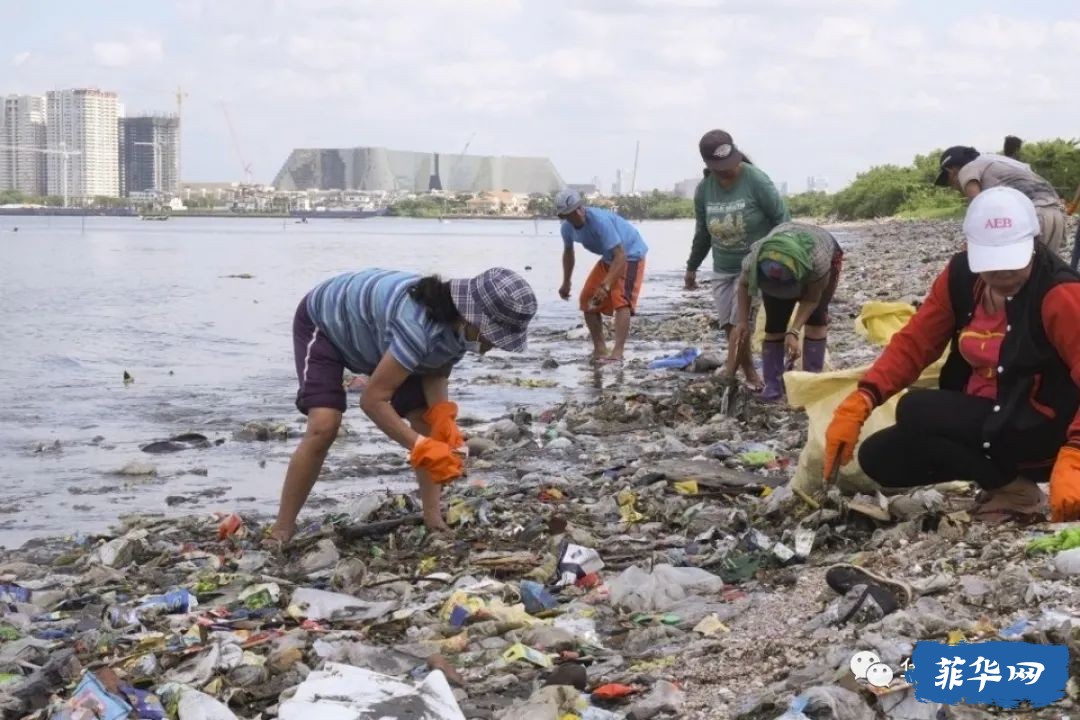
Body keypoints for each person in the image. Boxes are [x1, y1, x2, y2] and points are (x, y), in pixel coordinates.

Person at [823, 187, 1080, 523]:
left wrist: (1076, 453)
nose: (1003, 273)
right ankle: (1006, 484)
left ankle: (1020, 495)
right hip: (989, 420)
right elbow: (915, 343)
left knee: (916, 407)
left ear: (1034, 243)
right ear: (970, 249)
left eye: (1012, 262)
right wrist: (862, 399)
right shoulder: (960, 278)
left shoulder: (1060, 293)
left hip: (1045, 428)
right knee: (880, 456)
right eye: (992, 263)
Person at [269, 267, 537, 542]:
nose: (494, 344)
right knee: (324, 425)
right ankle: (281, 529)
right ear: (473, 317)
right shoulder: (417, 327)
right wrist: (420, 447)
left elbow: (436, 367)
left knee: (426, 419)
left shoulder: (459, 328)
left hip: (377, 339)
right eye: (494, 335)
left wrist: (443, 419)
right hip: (326, 324)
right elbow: (372, 401)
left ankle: (432, 515)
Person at [686, 129, 789, 390]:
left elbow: (782, 219)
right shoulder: (704, 191)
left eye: (731, 163)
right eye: (721, 168)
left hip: (755, 266)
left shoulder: (755, 180)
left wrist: (779, 257)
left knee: (739, 322)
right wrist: (692, 267)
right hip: (722, 267)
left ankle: (733, 374)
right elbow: (702, 233)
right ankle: (750, 372)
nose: (729, 170)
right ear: (709, 165)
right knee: (729, 326)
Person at [730, 222, 843, 400]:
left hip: (821, 253)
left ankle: (811, 384)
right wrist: (742, 321)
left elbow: (812, 299)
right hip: (779, 256)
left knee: (816, 319)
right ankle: (773, 387)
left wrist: (794, 331)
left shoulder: (818, 263)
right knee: (774, 326)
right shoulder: (755, 260)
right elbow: (743, 285)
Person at [556, 188, 648, 363]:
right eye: (571, 213)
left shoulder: (599, 221)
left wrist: (606, 286)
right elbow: (568, 252)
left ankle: (617, 353)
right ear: (564, 216)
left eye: (579, 208)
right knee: (587, 299)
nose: (579, 213)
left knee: (621, 300)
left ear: (582, 207)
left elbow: (621, 256)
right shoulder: (567, 229)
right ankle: (600, 349)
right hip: (609, 257)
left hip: (630, 254)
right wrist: (566, 282)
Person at [935, 145, 1066, 254]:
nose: (953, 188)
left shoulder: (967, 169)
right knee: (1044, 272)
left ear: (951, 170)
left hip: (1034, 215)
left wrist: (970, 247)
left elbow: (980, 209)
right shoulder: (998, 161)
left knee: (1019, 271)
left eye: (949, 182)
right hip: (1055, 212)